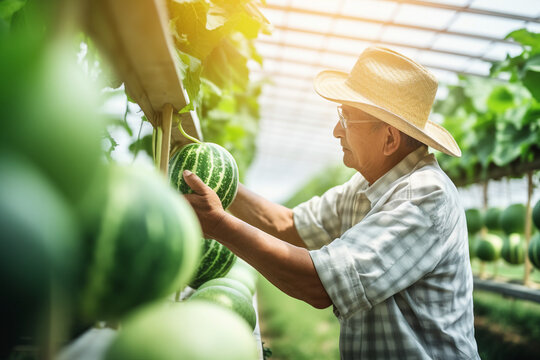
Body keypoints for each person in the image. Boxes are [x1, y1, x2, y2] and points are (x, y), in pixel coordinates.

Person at [182, 46, 479, 359]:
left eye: (347, 118)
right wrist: (214, 175)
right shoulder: (366, 184)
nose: (337, 130)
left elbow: (319, 285)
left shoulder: (423, 196)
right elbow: (288, 225)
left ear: (389, 139)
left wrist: (218, 225)